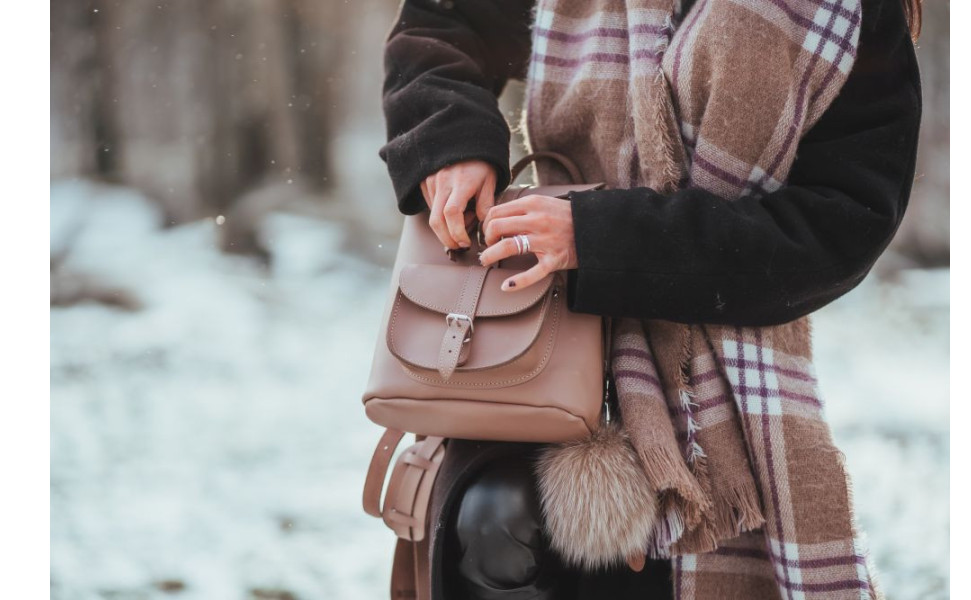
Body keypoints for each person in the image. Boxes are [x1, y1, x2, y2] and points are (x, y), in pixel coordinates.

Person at [377, 0, 923, 598]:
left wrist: (601, 236)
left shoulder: (843, 10)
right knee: (493, 523)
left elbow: (841, 225)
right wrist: (451, 141)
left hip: (724, 381)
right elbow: (442, 23)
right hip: (536, 335)